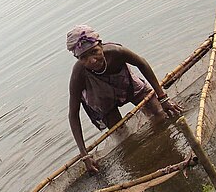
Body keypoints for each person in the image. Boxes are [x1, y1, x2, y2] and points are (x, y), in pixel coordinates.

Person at [66, 25, 182, 175]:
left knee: (159, 112)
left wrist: (163, 98)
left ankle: (165, 147)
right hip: (101, 98)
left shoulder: (116, 52)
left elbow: (142, 63)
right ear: (78, 59)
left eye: (95, 52)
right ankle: (142, 167)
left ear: (101, 45)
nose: (92, 60)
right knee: (123, 138)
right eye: (84, 57)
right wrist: (84, 154)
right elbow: (73, 114)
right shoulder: (79, 74)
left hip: (126, 84)